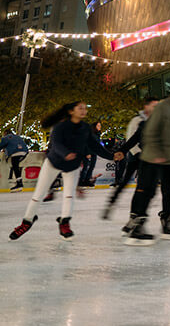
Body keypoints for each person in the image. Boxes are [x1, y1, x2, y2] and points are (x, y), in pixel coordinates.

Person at [9, 102, 120, 241]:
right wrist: (65, 153)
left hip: (72, 167)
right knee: (38, 195)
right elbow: (56, 144)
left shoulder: (85, 128)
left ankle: (64, 223)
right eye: (80, 108)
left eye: (85, 108)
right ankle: (27, 222)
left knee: (69, 196)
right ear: (71, 111)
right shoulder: (60, 126)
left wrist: (112, 156)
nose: (83, 110)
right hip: (53, 163)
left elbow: (95, 146)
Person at [123, 77, 170, 245]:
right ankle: (137, 227)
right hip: (153, 156)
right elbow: (150, 131)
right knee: (149, 191)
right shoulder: (163, 107)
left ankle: (167, 223)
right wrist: (157, 152)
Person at [104, 98, 157, 218]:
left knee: (145, 186)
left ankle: (137, 213)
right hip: (136, 156)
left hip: (148, 157)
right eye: (153, 106)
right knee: (127, 181)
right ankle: (113, 201)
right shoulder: (137, 120)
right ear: (146, 106)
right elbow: (132, 138)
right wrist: (135, 153)